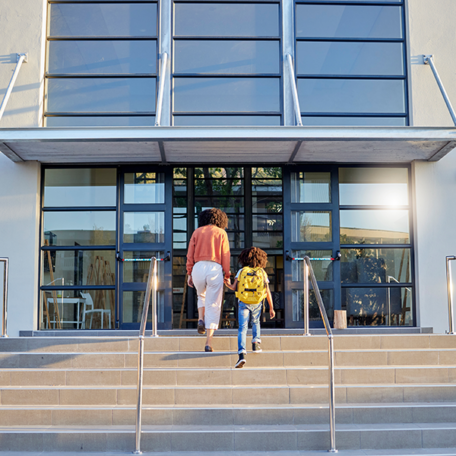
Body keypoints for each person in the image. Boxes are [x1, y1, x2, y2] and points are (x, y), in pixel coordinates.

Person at [186, 208, 231, 352]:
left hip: (198, 267)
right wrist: (227, 274)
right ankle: (208, 342)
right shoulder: (221, 233)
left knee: (201, 295)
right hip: (214, 268)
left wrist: (189, 273)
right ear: (220, 220)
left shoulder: (197, 232)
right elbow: (226, 255)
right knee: (214, 304)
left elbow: (190, 254)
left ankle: (200, 319)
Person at [225, 247, 275, 368]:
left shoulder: (242, 271)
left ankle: (242, 354)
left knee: (242, 328)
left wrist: (227, 283)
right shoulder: (262, 272)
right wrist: (271, 307)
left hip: (243, 302)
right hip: (257, 302)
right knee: (256, 322)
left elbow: (233, 287)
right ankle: (256, 343)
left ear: (244, 259)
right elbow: (267, 290)